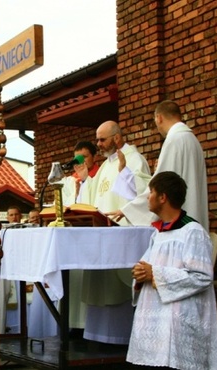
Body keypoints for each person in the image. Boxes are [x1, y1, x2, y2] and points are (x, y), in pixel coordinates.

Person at [126, 171, 217, 369]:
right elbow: (146, 267)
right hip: (154, 317)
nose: (147, 197)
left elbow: (202, 277)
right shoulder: (158, 233)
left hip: (179, 317)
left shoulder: (193, 231)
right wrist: (139, 274)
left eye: (151, 192)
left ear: (163, 197)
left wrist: (155, 274)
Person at [75, 120, 151, 345]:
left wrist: (127, 176)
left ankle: (122, 339)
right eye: (97, 139)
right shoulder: (108, 164)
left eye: (102, 139)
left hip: (121, 235)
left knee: (116, 289)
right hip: (103, 234)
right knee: (101, 285)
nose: (98, 144)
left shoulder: (133, 159)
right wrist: (86, 179)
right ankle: (98, 339)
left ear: (117, 138)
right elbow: (93, 198)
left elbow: (144, 194)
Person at [111, 100, 210, 231]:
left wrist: (129, 210)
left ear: (159, 118)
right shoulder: (193, 140)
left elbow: (161, 184)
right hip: (194, 217)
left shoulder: (173, 141)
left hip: (180, 224)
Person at [63, 141, 101, 207]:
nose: (81, 161)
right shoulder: (69, 181)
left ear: (94, 157)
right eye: (77, 158)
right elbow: (61, 204)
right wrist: (76, 195)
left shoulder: (101, 176)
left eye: (84, 157)